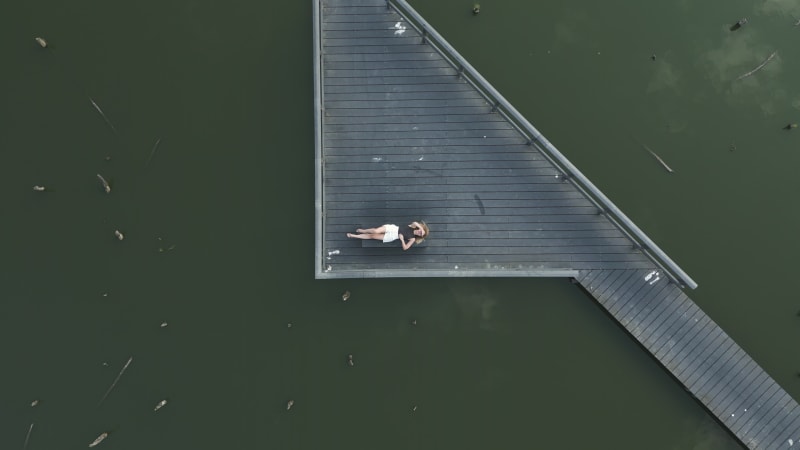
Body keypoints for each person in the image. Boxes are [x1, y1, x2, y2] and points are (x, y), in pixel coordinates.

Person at [347, 221, 429, 251]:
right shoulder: (414, 226)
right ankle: (363, 230)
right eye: (421, 231)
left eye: (421, 234)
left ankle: (354, 236)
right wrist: (421, 228)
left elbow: (405, 248)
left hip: (393, 236)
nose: (419, 232)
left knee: (372, 236)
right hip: (393, 229)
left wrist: (402, 240)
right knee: (376, 230)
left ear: (420, 236)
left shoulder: (413, 239)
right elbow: (415, 222)